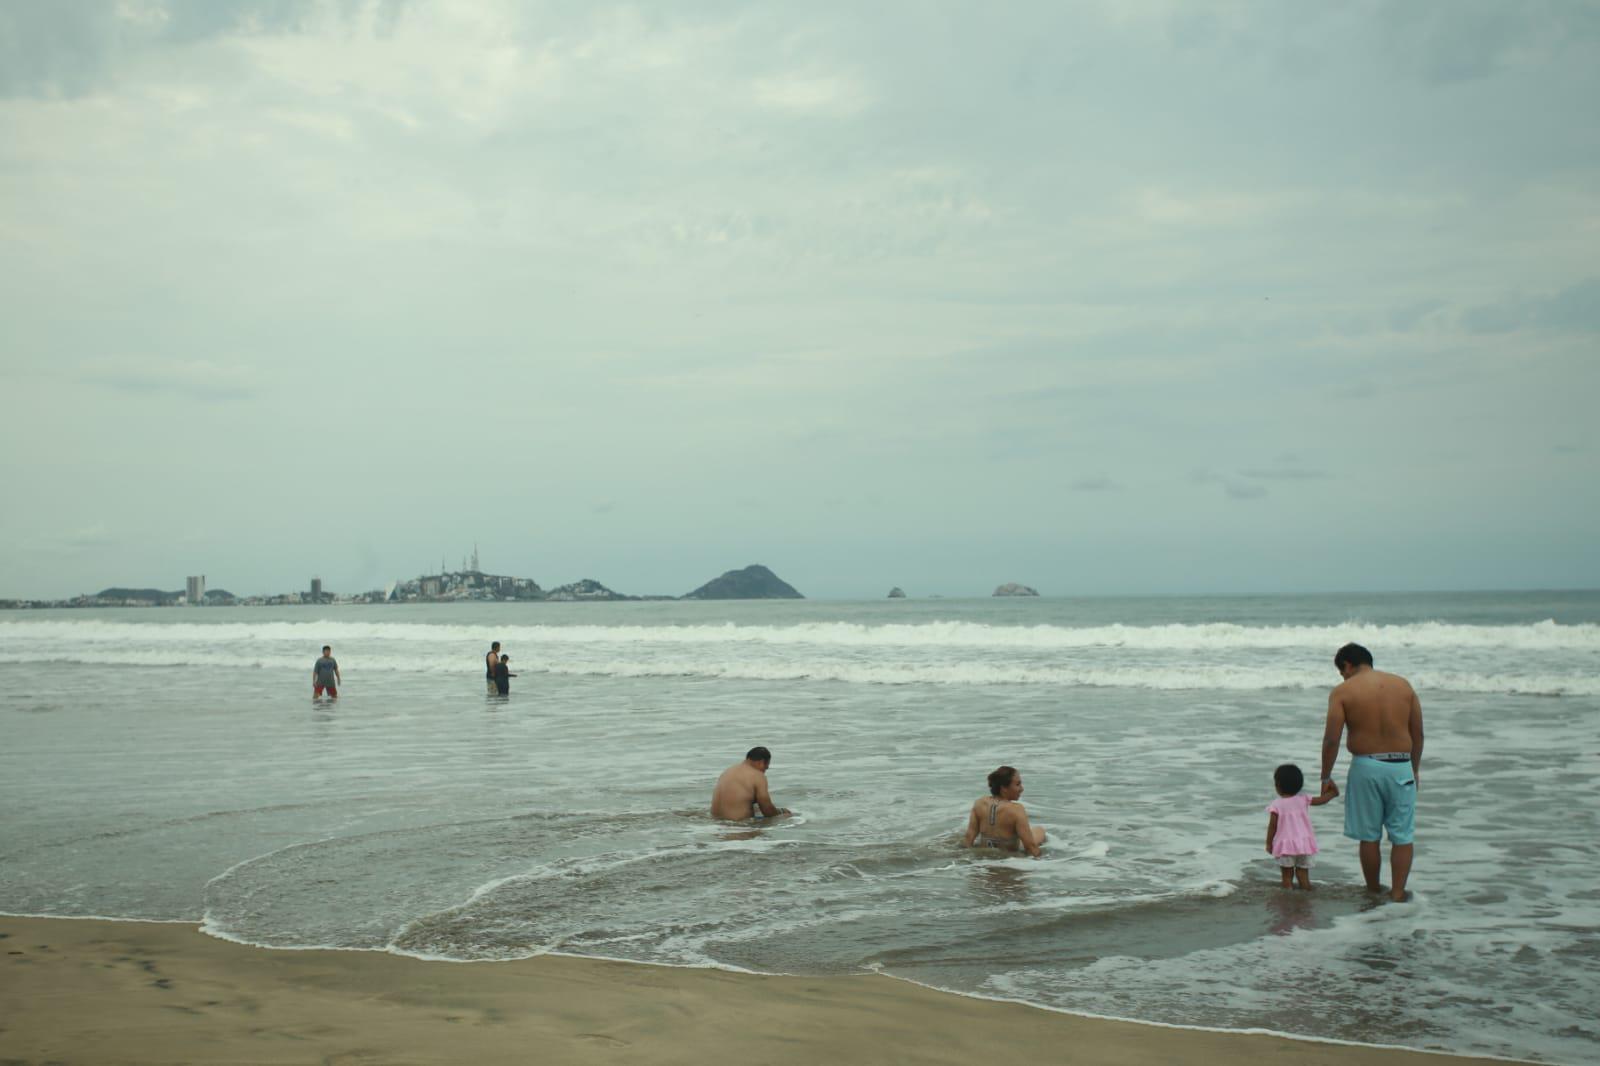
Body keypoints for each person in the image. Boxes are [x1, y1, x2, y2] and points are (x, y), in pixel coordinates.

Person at [1321, 642, 1424, 902]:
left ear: (1347, 665)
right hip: (1401, 766)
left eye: (1341, 671)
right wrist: (1415, 769)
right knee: (1403, 836)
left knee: (1369, 836)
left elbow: (1331, 739)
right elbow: (1418, 734)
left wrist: (1326, 776)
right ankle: (1398, 893)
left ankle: (1373, 890)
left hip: (1366, 767)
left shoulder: (1343, 691)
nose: (1342, 676)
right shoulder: (1403, 686)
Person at [1266, 763, 1338, 889]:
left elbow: (1272, 826)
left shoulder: (1276, 804)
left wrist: (1269, 843)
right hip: (1304, 844)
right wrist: (1332, 793)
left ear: (1278, 785)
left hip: (1286, 846)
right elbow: (1322, 800)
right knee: (1303, 875)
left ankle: (1287, 900)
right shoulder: (1303, 799)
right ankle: (1307, 897)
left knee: (1287, 877)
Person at [963, 765, 1046, 857]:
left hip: (984, 860)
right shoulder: (1016, 809)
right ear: (1004, 788)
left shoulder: (979, 803)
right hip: (1008, 859)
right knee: (1040, 831)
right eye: (1017, 784)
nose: (1022, 789)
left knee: (1038, 830)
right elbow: (1030, 848)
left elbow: (968, 838)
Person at [710, 747, 791, 821]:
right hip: (740, 829)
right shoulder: (757, 776)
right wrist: (781, 812)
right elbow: (767, 810)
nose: (764, 771)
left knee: (756, 809)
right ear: (761, 762)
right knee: (788, 816)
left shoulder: (728, 772)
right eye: (765, 768)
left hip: (718, 826)